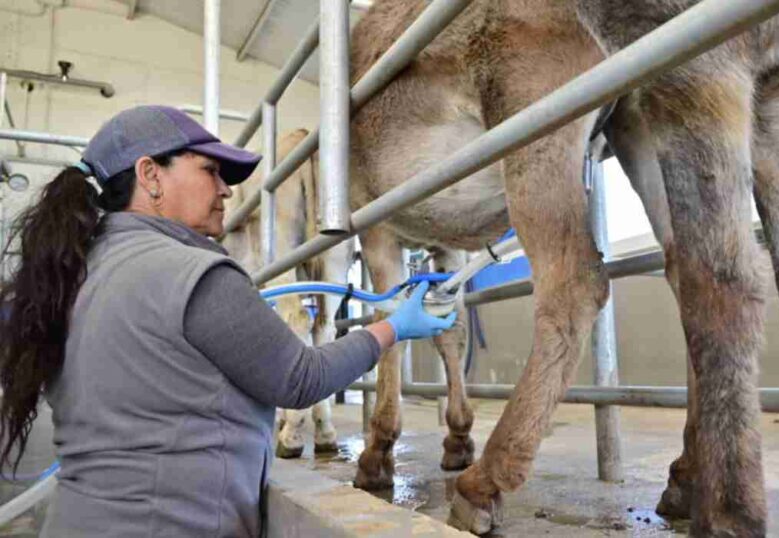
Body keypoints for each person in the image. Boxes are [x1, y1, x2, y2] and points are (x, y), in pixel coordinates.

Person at [0, 105, 455, 537]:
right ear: (150, 175)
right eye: (209, 170)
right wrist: (394, 326)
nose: (227, 190)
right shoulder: (193, 273)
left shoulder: (72, 272)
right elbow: (300, 378)